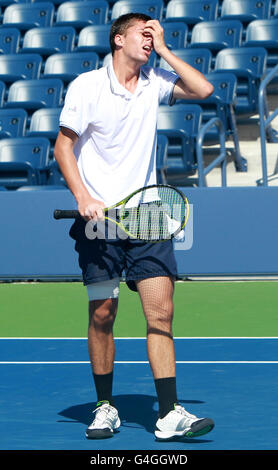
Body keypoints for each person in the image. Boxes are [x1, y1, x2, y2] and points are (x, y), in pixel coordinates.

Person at [54, 13, 215, 441]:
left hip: (148, 217)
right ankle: (105, 406)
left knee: (160, 313)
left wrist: (164, 49)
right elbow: (63, 146)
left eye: (154, 35)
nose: (150, 40)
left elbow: (204, 89)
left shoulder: (155, 81)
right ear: (118, 38)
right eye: (144, 34)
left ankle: (168, 414)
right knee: (103, 314)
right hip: (99, 222)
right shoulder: (87, 87)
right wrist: (83, 196)